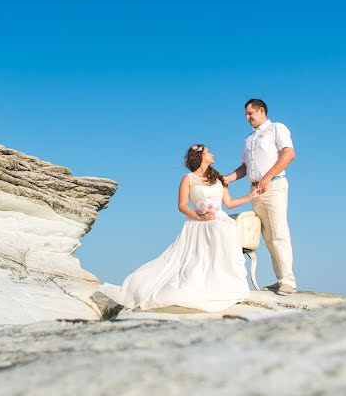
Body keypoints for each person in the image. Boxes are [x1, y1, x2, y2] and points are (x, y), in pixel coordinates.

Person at [96, 144, 257, 314]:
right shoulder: (188, 179)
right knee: (190, 260)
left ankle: (227, 285)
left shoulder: (218, 178)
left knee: (225, 229)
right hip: (198, 222)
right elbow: (182, 205)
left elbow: (229, 203)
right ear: (200, 156)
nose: (212, 154)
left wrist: (251, 196)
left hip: (220, 220)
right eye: (208, 152)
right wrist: (199, 216)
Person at [224, 98, 297, 296]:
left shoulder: (276, 128)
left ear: (261, 111)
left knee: (279, 231)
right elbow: (244, 167)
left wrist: (267, 177)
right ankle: (280, 278)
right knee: (268, 237)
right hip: (255, 190)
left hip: (274, 186)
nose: (247, 118)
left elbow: (289, 154)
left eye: (250, 113)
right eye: (246, 115)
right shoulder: (248, 139)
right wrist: (226, 179)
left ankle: (288, 281)